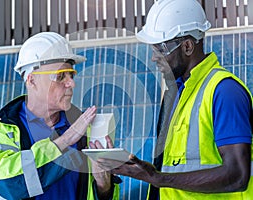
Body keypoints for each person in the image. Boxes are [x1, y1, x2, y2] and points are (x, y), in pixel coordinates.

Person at [97, 0, 253, 199]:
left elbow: (237, 175)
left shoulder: (225, 91)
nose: (154, 58)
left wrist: (158, 177)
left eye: (160, 49)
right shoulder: (173, 95)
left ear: (187, 46)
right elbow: (169, 173)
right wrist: (149, 174)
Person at [0, 32, 120, 200]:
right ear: (32, 80)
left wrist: (104, 186)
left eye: (71, 75)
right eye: (60, 76)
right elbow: (11, 184)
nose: (71, 83)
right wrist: (65, 140)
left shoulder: (87, 129)